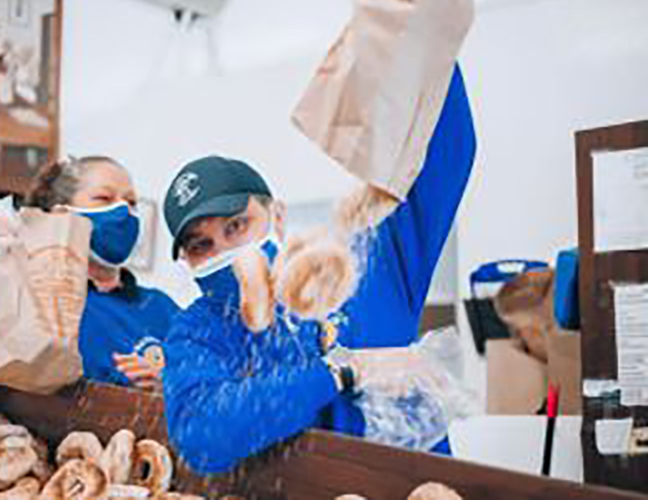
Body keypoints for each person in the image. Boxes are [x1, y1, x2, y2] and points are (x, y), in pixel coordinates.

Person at [160, 67, 476, 473]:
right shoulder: (198, 331)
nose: (227, 252)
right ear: (187, 261)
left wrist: (422, 44)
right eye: (201, 245)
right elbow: (204, 436)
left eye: (236, 226)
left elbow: (445, 156)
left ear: (276, 215)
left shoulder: (362, 267)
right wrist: (343, 371)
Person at [0, 156, 180, 405]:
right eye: (104, 199)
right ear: (61, 214)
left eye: (131, 202)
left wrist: (168, 386)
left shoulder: (161, 309)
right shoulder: (23, 299)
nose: (123, 212)